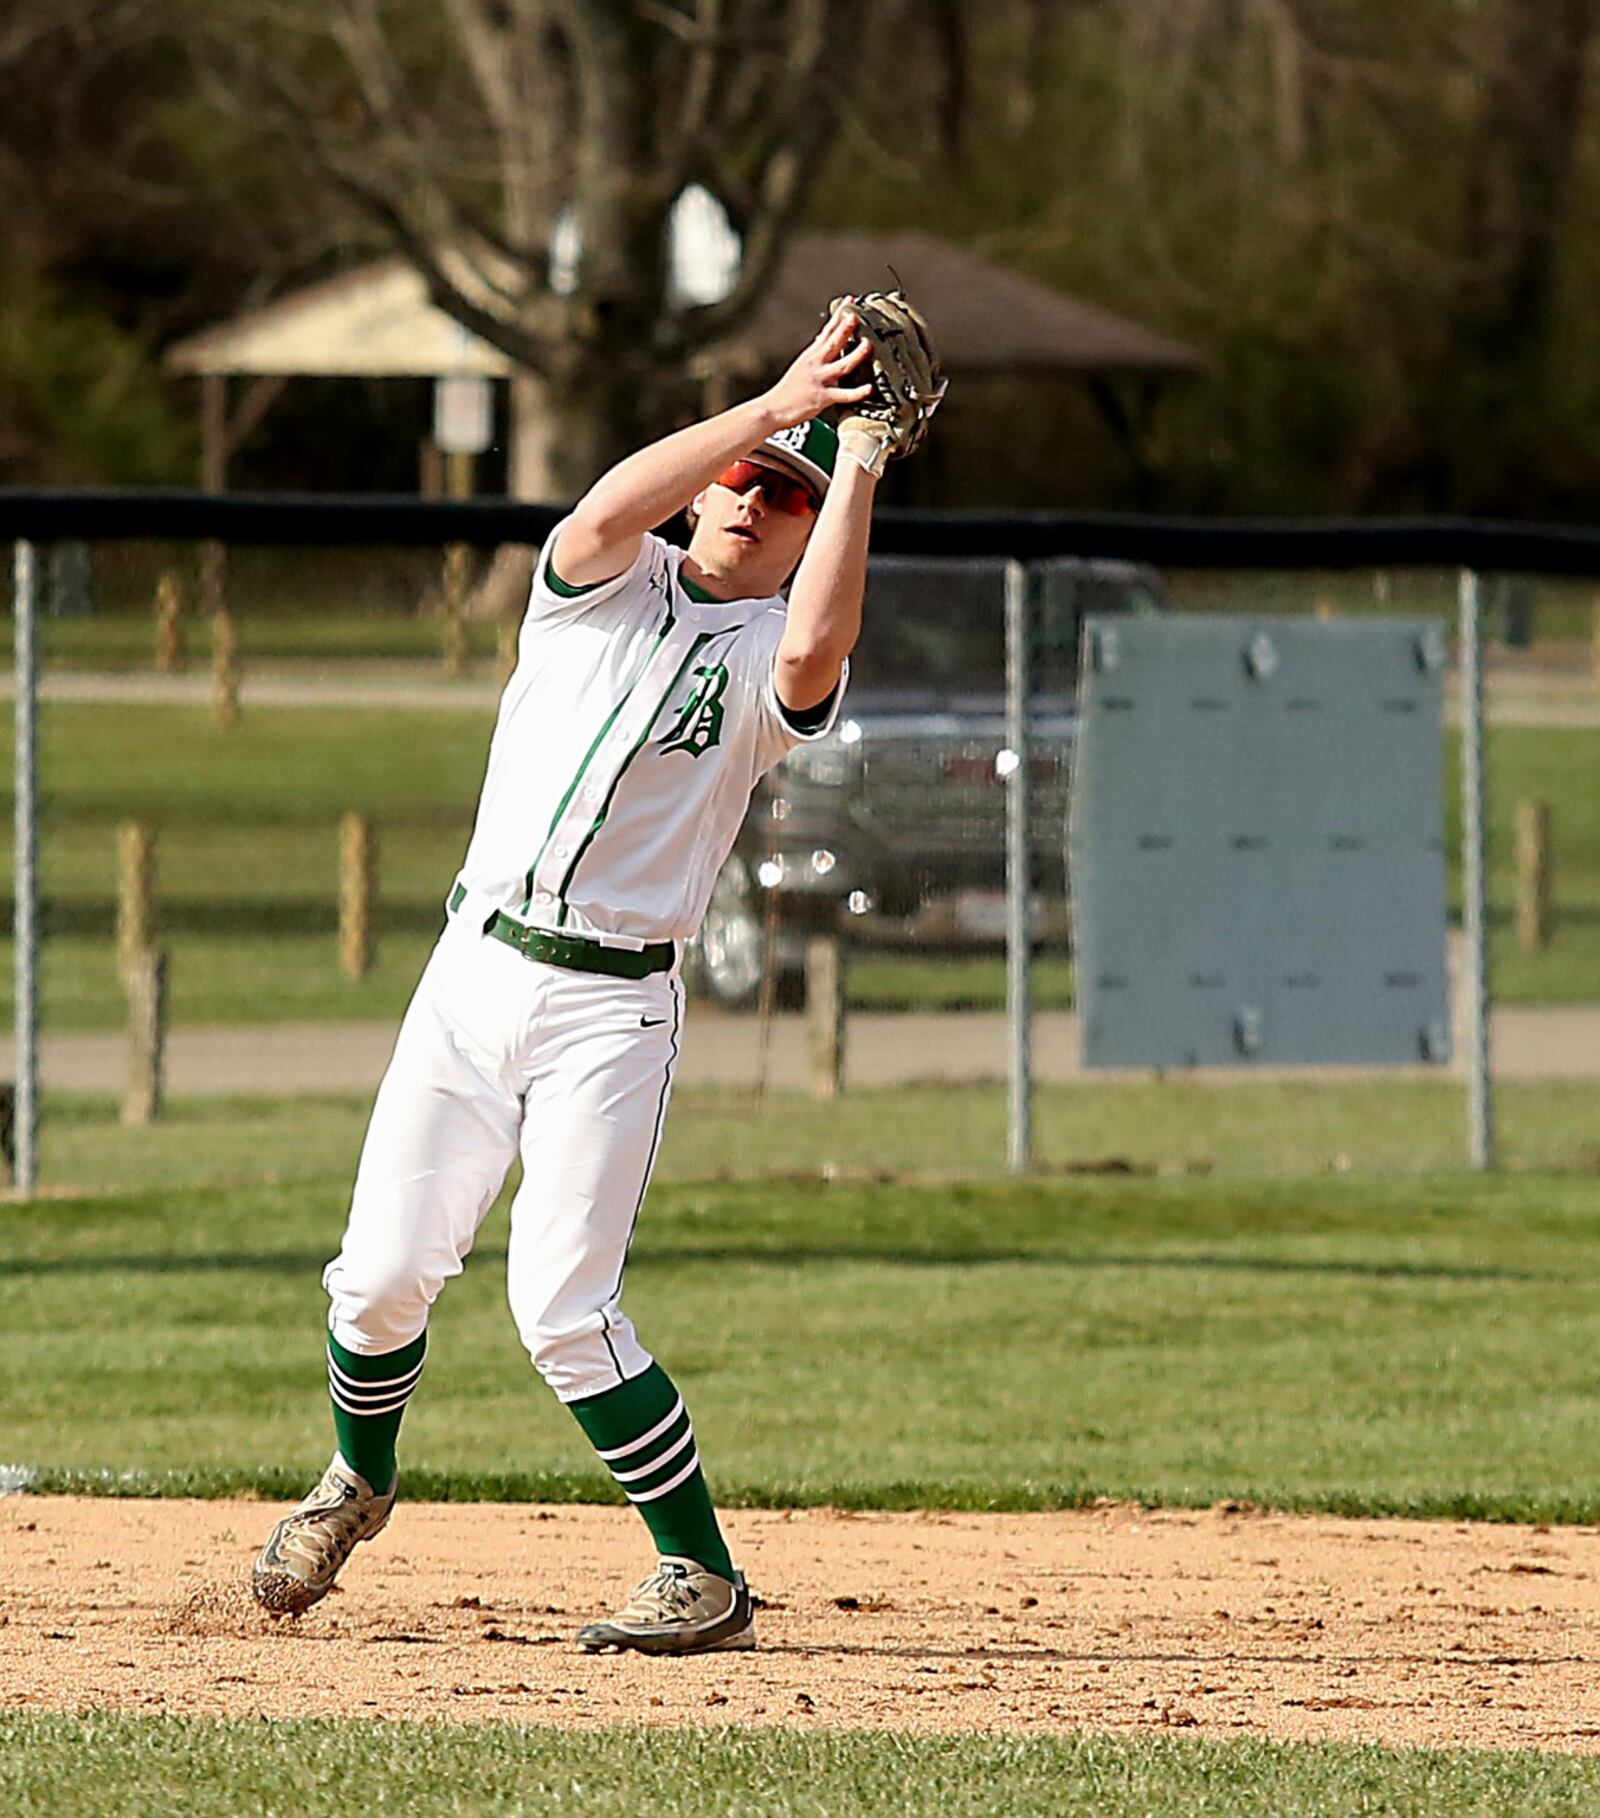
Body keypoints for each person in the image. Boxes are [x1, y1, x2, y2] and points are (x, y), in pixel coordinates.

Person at [252, 301, 900, 1656]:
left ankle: (702, 1574)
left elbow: (816, 645)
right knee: (374, 1281)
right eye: (738, 482)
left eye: (779, 501)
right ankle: (356, 1480)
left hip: (612, 1004)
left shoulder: (764, 656)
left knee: (561, 1304)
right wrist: (776, 410)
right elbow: (610, 501)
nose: (748, 501)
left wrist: (858, 468)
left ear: (800, 530)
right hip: (472, 971)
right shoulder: (600, 582)